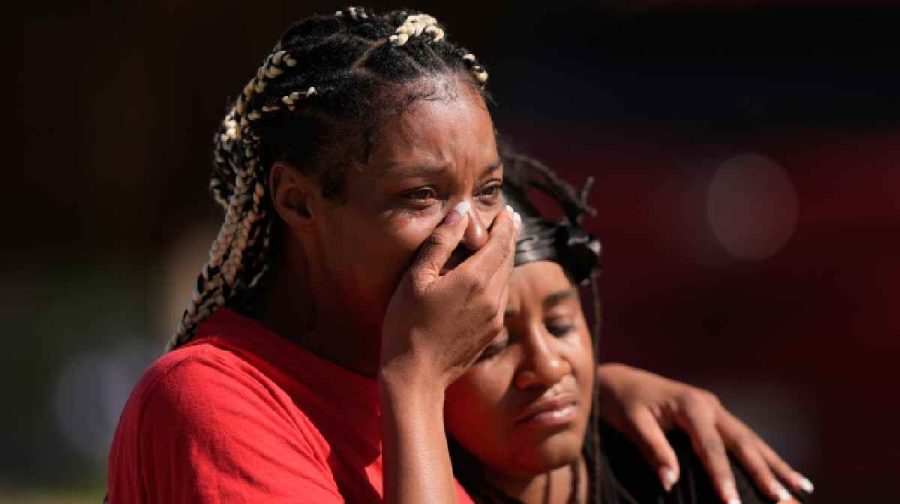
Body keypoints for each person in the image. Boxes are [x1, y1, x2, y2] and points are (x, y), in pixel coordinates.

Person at [107, 7, 813, 503]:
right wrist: (416, 382)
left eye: (489, 191)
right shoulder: (212, 403)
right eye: (421, 196)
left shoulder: (437, 392)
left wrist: (591, 399)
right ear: (299, 202)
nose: (475, 235)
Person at [442, 149, 814, 503]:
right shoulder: (415, 484)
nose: (549, 367)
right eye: (493, 345)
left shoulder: (675, 462)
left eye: (560, 326)